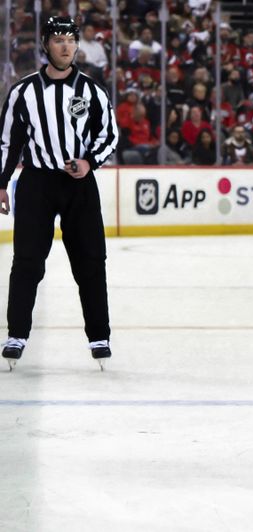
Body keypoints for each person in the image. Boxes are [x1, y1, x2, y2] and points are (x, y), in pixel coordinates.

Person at [0, 17, 118, 370]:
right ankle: (17, 334)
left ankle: (99, 336)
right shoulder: (23, 91)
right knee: (27, 262)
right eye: (57, 40)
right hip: (37, 183)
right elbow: (9, 142)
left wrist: (90, 161)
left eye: (70, 39)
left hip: (79, 183)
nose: (65, 46)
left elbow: (109, 134)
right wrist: (2, 183)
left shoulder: (93, 91)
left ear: (77, 45)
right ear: (45, 45)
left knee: (91, 261)